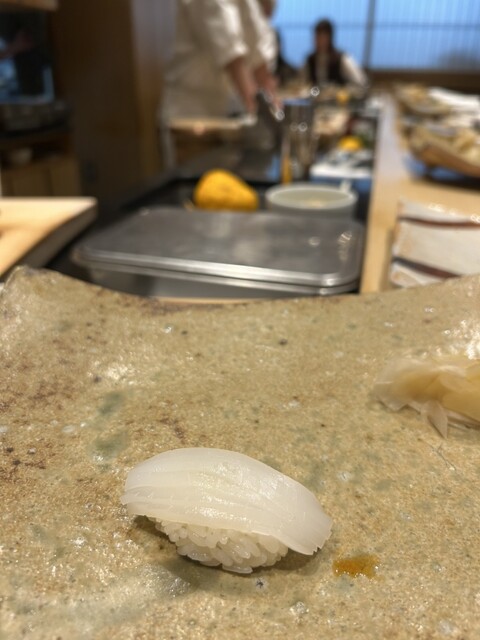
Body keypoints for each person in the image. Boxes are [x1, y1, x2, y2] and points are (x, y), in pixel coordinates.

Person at [161, 0, 278, 120]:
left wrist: (271, 105)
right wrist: (260, 111)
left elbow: (255, 46)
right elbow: (231, 54)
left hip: (217, 103)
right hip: (188, 107)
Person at [305, 19, 367, 88]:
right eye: (317, 37)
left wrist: (343, 89)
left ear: (330, 38)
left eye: (322, 37)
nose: (319, 41)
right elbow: (302, 81)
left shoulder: (342, 58)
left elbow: (361, 81)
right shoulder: (310, 59)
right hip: (314, 95)